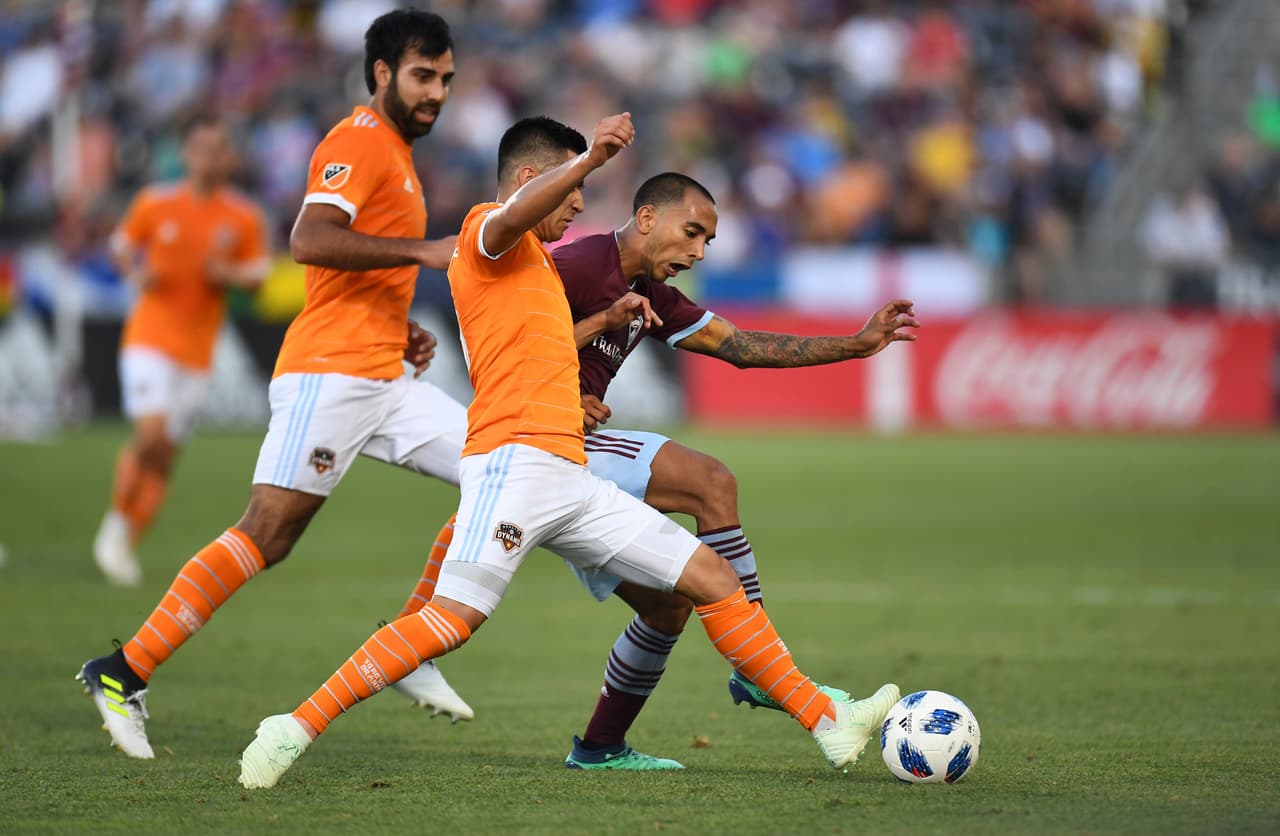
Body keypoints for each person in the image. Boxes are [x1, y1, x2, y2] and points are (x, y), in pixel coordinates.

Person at [237, 113, 899, 789]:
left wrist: (605, 327)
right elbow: (509, 230)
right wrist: (591, 160)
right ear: (533, 181)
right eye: (568, 192)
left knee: (710, 581)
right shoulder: (486, 233)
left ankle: (823, 718)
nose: (578, 207)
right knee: (450, 620)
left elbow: (542, 347)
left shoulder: (547, 275)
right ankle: (293, 727)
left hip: (570, 475)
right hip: (516, 461)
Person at [391, 171, 919, 769]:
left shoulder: (652, 294)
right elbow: (503, 336)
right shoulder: (585, 264)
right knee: (710, 482)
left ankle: (599, 747)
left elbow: (738, 346)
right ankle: (762, 674)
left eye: (708, 243)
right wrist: (563, 388)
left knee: (668, 608)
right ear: (647, 218)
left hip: (570, 450)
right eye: (691, 233)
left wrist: (852, 345)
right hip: (542, 446)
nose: (697, 252)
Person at [77, 8, 474, 760]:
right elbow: (310, 238)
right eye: (424, 76)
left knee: (495, 470)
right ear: (383, 72)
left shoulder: (394, 149)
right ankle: (122, 671)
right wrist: (422, 250)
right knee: (268, 533)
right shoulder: (357, 141)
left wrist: (400, 320)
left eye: (447, 79)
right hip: (329, 374)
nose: (438, 93)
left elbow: (356, 262)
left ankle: (411, 645)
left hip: (383, 370)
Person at [93, 113, 269, 587]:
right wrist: (137, 273)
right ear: (187, 154)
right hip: (150, 337)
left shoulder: (242, 216)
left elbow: (258, 276)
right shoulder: (156, 203)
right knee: (150, 437)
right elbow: (120, 246)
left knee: (166, 455)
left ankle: (123, 537)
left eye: (218, 148)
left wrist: (227, 275)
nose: (209, 157)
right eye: (201, 148)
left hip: (198, 351)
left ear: (229, 158)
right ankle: (114, 529)